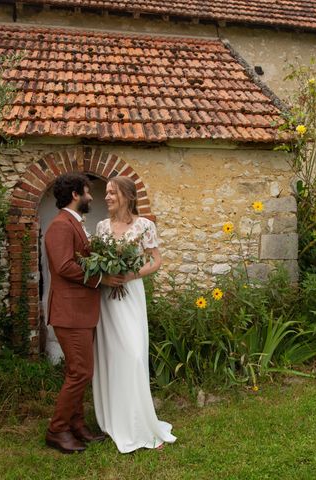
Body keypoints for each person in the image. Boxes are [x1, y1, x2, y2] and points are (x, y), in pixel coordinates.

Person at [92, 176, 177, 453]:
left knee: (134, 354)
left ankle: (140, 424)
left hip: (130, 295)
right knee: (112, 356)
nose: (107, 197)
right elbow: (95, 260)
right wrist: (106, 275)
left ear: (127, 196)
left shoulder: (144, 226)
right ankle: (114, 422)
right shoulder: (102, 227)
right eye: (106, 193)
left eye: (112, 192)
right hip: (108, 298)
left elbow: (156, 259)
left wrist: (132, 274)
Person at [43, 172, 123, 454]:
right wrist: (101, 278)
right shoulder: (60, 226)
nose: (91, 197)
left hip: (81, 312)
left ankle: (77, 425)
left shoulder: (74, 224)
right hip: (70, 313)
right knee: (80, 373)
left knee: (77, 371)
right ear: (76, 194)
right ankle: (57, 429)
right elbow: (64, 267)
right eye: (87, 192)